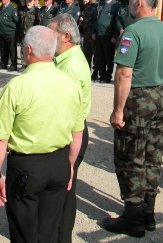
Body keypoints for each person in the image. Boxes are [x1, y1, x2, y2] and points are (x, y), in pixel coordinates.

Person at [0, 25, 84, 243]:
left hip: (27, 166)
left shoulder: (18, 86)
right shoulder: (70, 83)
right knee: (49, 229)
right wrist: (69, 165)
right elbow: (77, 132)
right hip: (59, 160)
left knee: (24, 231)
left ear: (28, 50)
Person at [100, 0, 163, 237]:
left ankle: (132, 218)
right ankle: (149, 213)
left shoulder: (132, 32)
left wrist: (118, 111)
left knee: (130, 155)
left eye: (130, 0)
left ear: (139, 3)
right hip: (160, 97)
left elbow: (123, 74)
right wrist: (160, 92)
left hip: (137, 99)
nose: (128, 5)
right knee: (153, 155)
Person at [48, 14, 92, 243]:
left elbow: (66, 111)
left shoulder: (71, 66)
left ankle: (61, 237)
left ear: (66, 36)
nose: (47, 38)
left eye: (51, 33)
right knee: (63, 188)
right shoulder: (65, 58)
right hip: (69, 132)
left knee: (64, 191)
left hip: (69, 134)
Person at [93, 0, 119, 83]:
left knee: (108, 57)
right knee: (100, 56)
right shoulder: (101, 3)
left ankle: (108, 76)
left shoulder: (116, 5)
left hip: (108, 35)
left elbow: (117, 21)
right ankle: (102, 75)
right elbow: (95, 19)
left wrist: (115, 35)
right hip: (99, 34)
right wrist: (93, 31)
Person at [0, 0, 19, 71]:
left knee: (12, 49)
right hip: (2, 31)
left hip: (10, 32)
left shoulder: (13, 8)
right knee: (3, 49)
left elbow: (17, 20)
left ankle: (13, 65)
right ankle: (3, 64)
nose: (2, 0)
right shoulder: (2, 7)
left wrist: (11, 27)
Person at [79, 0, 99, 73]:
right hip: (86, 34)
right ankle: (86, 72)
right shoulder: (86, 6)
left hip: (93, 34)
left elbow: (96, 20)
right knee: (86, 54)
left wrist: (94, 32)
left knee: (96, 54)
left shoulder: (98, 5)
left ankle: (95, 72)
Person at [18, 0, 39, 69]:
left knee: (32, 50)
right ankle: (23, 64)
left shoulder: (36, 11)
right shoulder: (25, 9)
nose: (28, 3)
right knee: (23, 49)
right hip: (24, 32)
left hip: (32, 34)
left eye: (30, 1)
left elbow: (38, 22)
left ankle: (31, 64)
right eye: (27, 1)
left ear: (33, 1)